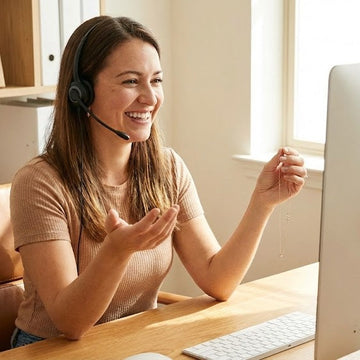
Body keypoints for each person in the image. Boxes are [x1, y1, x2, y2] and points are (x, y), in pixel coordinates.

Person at [9, 16, 307, 348]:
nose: (150, 98)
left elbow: (217, 279)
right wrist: (116, 253)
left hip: (134, 343)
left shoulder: (167, 168)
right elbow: (71, 323)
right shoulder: (39, 182)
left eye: (156, 80)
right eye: (131, 82)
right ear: (82, 92)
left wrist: (262, 204)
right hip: (49, 350)